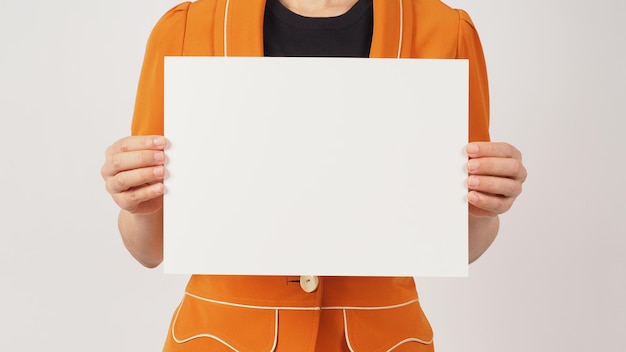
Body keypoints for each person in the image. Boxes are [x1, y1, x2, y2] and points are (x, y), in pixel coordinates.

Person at [101, 0, 527, 350]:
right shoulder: (186, 29)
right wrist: (137, 203)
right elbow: (150, 249)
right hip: (220, 338)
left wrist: (486, 206)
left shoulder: (445, 31)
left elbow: (462, 245)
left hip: (385, 339)